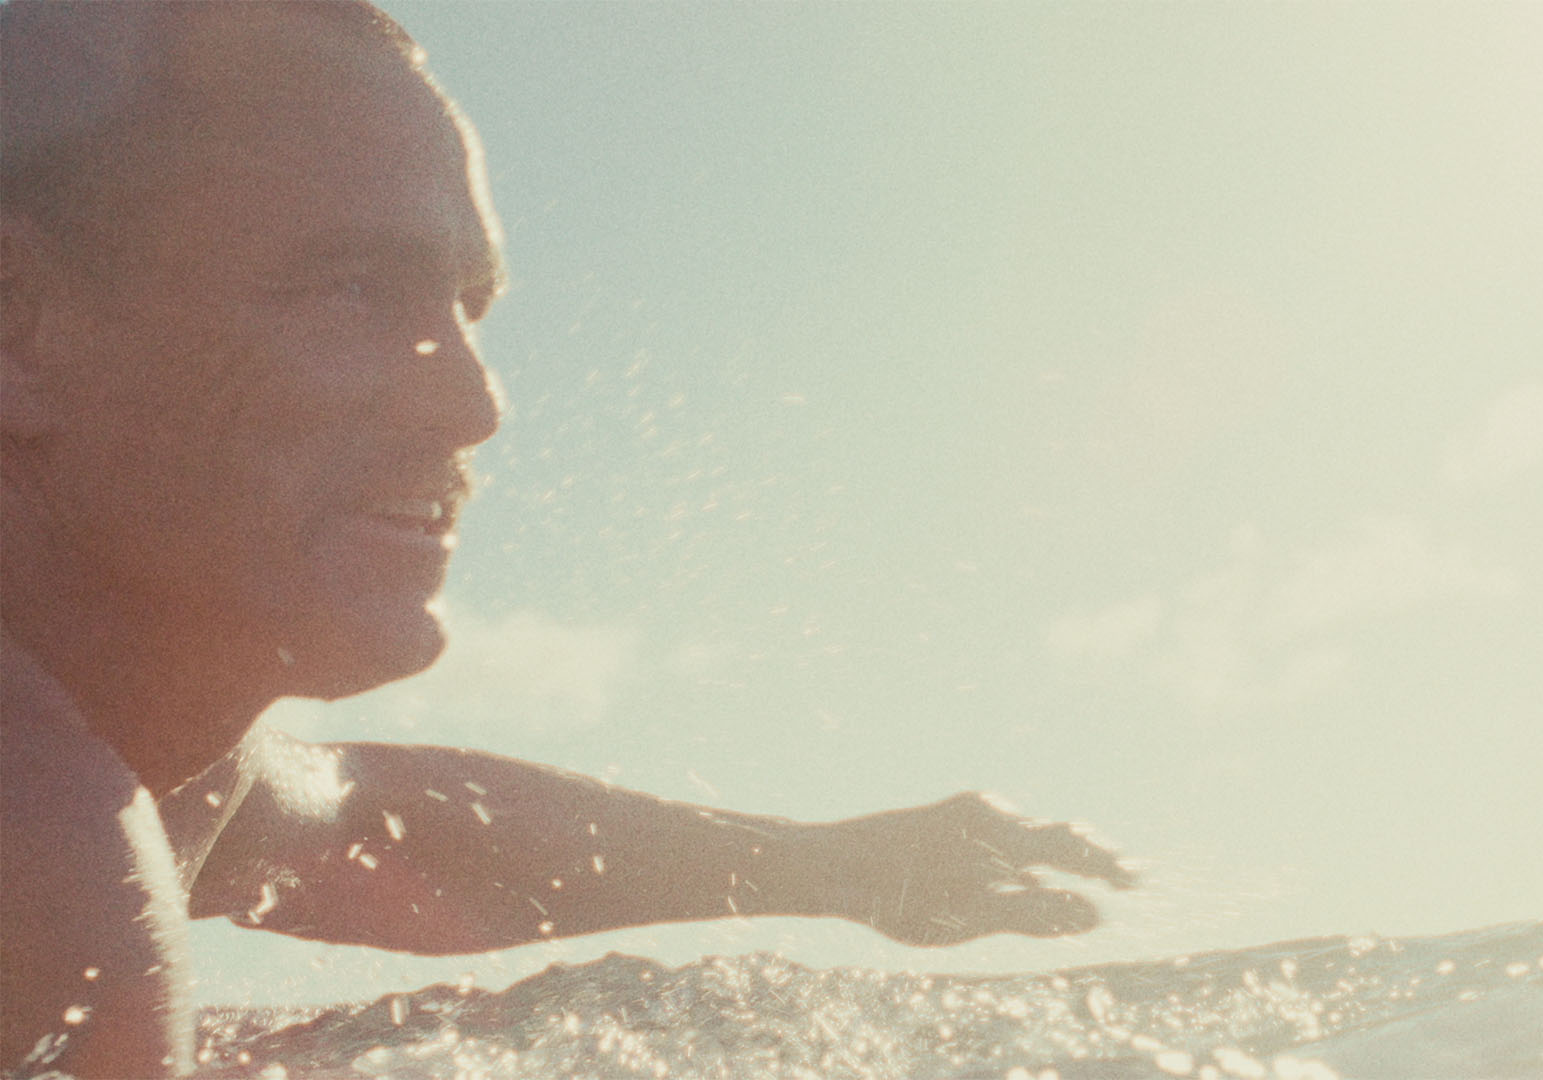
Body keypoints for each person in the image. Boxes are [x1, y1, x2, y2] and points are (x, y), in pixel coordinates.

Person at [0, 3, 1133, 1075]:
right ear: (19, 322)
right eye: (350, 291)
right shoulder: (43, 835)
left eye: (464, 308)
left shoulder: (133, 772)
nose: (475, 409)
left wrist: (840, 868)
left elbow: (371, 824)